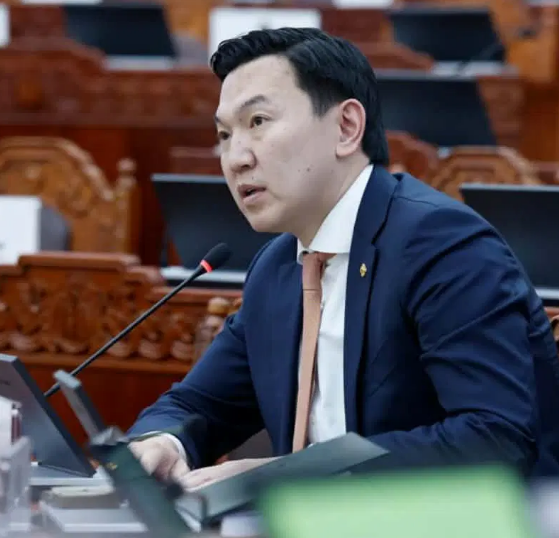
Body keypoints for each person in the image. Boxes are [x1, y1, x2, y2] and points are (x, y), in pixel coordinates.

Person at [128, 27, 559, 490]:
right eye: (224, 134)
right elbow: (197, 404)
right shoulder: (278, 267)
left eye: (258, 122)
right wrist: (163, 443)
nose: (235, 158)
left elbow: (493, 440)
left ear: (346, 127)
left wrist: (286, 476)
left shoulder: (441, 244)